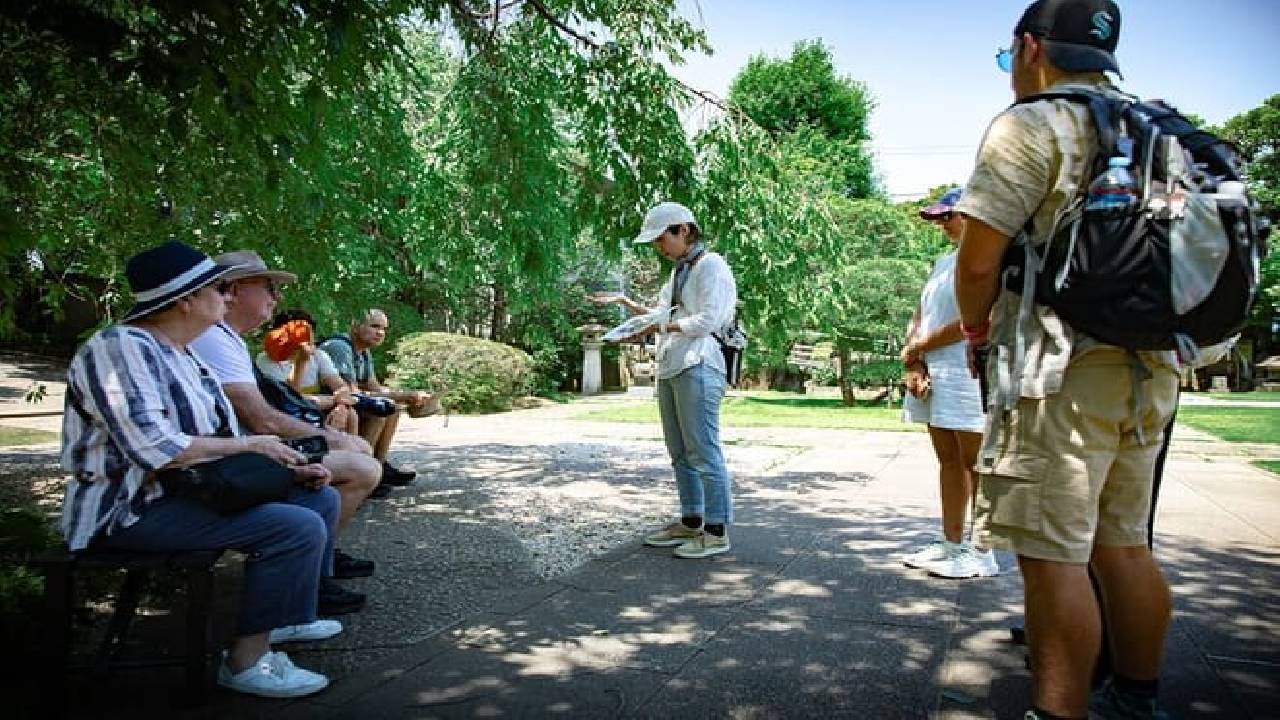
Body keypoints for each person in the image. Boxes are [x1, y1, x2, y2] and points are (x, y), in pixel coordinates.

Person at [953, 2, 1179, 718]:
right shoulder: (1155, 129)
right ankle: (1137, 702)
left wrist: (975, 332)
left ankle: (1056, 711)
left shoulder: (1033, 123)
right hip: (1154, 367)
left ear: (1029, 48)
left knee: (1053, 558)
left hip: (1061, 371)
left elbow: (980, 260)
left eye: (1008, 58)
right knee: (1125, 547)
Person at [59, 241, 336, 698]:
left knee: (316, 495)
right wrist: (253, 446)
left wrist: (288, 466)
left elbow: (221, 438)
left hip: (185, 492)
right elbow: (158, 449)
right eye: (217, 289)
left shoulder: (181, 353)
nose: (227, 298)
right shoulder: (119, 348)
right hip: (128, 510)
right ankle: (246, 665)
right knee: (294, 527)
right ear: (185, 300)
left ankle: (276, 622)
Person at [189, 251, 381, 607]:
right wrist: (327, 435)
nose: (276, 298)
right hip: (231, 463)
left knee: (356, 453)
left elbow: (287, 402)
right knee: (360, 464)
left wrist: (335, 411)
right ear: (233, 290)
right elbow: (261, 418)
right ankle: (310, 573)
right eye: (268, 287)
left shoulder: (226, 338)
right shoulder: (214, 340)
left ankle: (317, 563)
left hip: (241, 454)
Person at [590, 201, 738, 559]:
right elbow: (662, 315)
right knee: (679, 452)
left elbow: (707, 321)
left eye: (661, 239)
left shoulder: (711, 266)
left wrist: (657, 326)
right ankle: (690, 521)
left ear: (683, 230)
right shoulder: (679, 272)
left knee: (703, 448)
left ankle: (716, 531)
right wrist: (630, 310)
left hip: (700, 361)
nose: (659, 247)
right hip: (673, 363)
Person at [901, 187, 997, 579]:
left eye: (949, 216)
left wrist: (920, 346)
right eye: (939, 218)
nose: (942, 224)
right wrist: (916, 356)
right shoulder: (944, 262)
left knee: (977, 462)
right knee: (948, 460)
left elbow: (976, 319)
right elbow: (920, 313)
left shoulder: (989, 262)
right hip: (935, 368)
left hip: (967, 370)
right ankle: (952, 542)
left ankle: (982, 550)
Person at [319, 309, 436, 488]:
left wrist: (407, 397)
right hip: (330, 403)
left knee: (392, 408)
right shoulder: (340, 347)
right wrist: (405, 395)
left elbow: (375, 388)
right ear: (355, 326)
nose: (380, 333)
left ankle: (379, 467)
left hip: (349, 401)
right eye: (374, 326)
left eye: (383, 328)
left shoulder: (364, 352)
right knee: (378, 414)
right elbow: (351, 392)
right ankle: (363, 472)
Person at [256, 309, 359, 435]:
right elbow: (290, 401)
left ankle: (356, 453)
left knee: (351, 415)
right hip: (287, 414)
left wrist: (342, 407)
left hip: (316, 407)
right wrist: (301, 363)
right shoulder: (266, 361)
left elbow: (341, 387)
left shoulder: (319, 356)